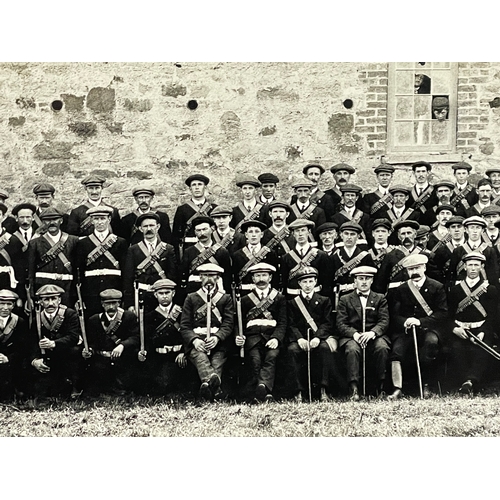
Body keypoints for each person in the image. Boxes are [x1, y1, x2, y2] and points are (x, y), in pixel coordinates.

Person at [388, 254, 448, 400]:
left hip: (429, 329)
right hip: (408, 330)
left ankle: (427, 385)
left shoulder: (436, 287)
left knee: (431, 344)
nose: (414, 272)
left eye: (417, 268)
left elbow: (442, 313)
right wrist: (406, 321)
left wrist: (421, 321)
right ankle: (398, 388)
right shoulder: (401, 289)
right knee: (397, 350)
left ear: (424, 268)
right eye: (410, 269)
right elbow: (394, 315)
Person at [180, 263, 234, 401]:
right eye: (205, 276)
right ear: (200, 277)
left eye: (212, 276)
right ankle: (213, 384)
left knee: (217, 361)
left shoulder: (225, 298)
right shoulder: (191, 298)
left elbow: (228, 324)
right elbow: (185, 325)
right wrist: (195, 340)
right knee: (201, 359)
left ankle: (207, 386)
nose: (208, 279)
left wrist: (217, 338)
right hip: (197, 341)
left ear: (217, 278)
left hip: (218, 342)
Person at [447, 252, 499, 394]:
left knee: (482, 350)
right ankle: (465, 382)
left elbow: (493, 316)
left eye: (477, 265)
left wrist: (484, 331)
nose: (473, 268)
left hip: (481, 329)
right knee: (457, 349)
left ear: (482, 267)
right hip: (460, 330)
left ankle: (470, 381)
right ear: (464, 267)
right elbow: (448, 315)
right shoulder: (455, 290)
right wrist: (455, 329)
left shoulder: (490, 290)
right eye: (470, 265)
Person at [234, 263, 287, 402]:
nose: (261, 278)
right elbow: (238, 323)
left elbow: (282, 322)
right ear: (253, 279)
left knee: (272, 357)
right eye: (257, 276)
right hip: (252, 339)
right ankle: (263, 391)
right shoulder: (245, 300)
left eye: (264, 275)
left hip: (271, 336)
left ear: (270, 278)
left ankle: (262, 388)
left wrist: (276, 338)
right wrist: (239, 336)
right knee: (255, 360)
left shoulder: (279, 298)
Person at [337, 266, 390, 400]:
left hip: (373, 335)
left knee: (382, 347)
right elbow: (341, 323)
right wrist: (355, 334)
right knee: (352, 349)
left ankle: (381, 387)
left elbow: (384, 321)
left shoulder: (380, 298)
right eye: (360, 279)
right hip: (353, 336)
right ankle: (354, 389)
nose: (364, 282)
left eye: (367, 279)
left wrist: (372, 333)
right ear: (355, 281)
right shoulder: (345, 299)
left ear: (372, 281)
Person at [286, 266, 337, 402]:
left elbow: (327, 323)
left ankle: (323, 389)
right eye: (304, 282)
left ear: (315, 282)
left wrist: (318, 338)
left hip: (317, 338)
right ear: (299, 284)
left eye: (310, 281)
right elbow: (290, 325)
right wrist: (299, 339)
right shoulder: (292, 303)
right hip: (300, 339)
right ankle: (298, 392)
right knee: (292, 351)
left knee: (325, 349)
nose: (307, 285)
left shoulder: (324, 300)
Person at [83, 289, 140, 395]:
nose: (111, 307)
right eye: (107, 304)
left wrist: (122, 345)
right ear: (102, 304)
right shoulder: (94, 320)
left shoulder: (128, 317)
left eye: (114, 303)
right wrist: (89, 350)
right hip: (102, 359)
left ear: (119, 303)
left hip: (123, 358)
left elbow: (136, 337)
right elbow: (91, 341)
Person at [29, 284, 81, 397]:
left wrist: (54, 343)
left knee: (75, 351)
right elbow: (32, 342)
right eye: (46, 300)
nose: (50, 303)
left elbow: (73, 337)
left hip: (66, 354)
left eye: (54, 299)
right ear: (41, 302)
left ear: (59, 300)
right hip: (47, 357)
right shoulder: (36, 318)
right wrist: (34, 360)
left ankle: (74, 386)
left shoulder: (69, 314)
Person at [76, 206, 129, 316]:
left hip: (114, 287)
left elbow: (125, 271)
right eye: (96, 219)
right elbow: (79, 271)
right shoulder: (83, 243)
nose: (99, 222)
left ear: (109, 219)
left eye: (103, 218)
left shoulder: (120, 242)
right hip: (91, 290)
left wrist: (125, 294)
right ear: (91, 221)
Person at [123, 212, 178, 313]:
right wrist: (129, 303)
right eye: (145, 226)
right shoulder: (133, 250)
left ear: (158, 227)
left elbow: (173, 275)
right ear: (140, 229)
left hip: (163, 296)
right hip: (142, 295)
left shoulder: (168, 249)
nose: (149, 229)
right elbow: (128, 277)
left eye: (152, 225)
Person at [143, 279, 189, 395]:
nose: (164, 296)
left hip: (179, 356)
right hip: (160, 357)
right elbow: (148, 339)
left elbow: (188, 333)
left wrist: (184, 352)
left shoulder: (182, 312)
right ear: (155, 295)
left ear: (173, 293)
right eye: (161, 293)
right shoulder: (149, 316)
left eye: (167, 293)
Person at [27, 208, 79, 307]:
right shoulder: (34, 243)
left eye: (55, 219)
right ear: (43, 222)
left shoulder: (73, 241)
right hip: (42, 287)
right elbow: (31, 271)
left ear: (61, 221)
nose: (51, 223)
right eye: (47, 220)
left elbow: (77, 269)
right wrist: (31, 295)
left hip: (67, 287)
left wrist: (77, 294)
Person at [179, 216, 232, 298]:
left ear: (212, 229)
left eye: (205, 229)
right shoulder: (189, 252)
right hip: (195, 292)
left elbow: (227, 276)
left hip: (217, 291)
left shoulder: (222, 251)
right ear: (195, 232)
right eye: (198, 230)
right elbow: (185, 275)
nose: (202, 233)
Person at [280, 219, 333, 299]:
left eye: (303, 230)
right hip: (293, 300)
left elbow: (326, 282)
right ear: (293, 234)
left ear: (309, 232)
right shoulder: (286, 258)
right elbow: (284, 283)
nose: (300, 234)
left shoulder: (321, 255)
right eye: (297, 231)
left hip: (315, 299)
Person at [172, 174, 217, 259]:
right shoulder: (182, 209)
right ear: (190, 189)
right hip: (189, 249)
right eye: (194, 185)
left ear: (205, 187)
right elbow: (176, 236)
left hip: (211, 249)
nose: (197, 187)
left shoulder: (214, 208)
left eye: (200, 184)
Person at [232, 220, 279, 293]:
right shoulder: (237, 255)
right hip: (245, 293)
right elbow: (235, 278)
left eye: (257, 232)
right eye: (250, 232)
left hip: (266, 293)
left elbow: (275, 277)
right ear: (246, 235)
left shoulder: (270, 253)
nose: (254, 235)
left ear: (262, 234)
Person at [0, 289, 28, 399]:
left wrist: (8, 358)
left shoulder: (19, 322)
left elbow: (23, 347)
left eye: (9, 304)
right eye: (1, 304)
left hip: (11, 360)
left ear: (13, 306)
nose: (5, 308)